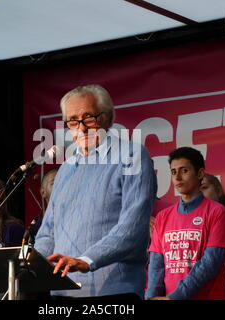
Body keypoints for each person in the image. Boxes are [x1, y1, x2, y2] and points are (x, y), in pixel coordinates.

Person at [34, 84, 157, 298]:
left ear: (107, 118)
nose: (81, 127)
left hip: (113, 291)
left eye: (88, 117)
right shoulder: (65, 169)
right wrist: (33, 263)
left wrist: (87, 261)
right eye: (72, 120)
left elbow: (132, 227)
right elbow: (48, 232)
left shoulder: (132, 155)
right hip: (63, 292)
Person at [146, 147, 225, 300]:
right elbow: (156, 265)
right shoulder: (163, 216)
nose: (177, 177)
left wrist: (176, 297)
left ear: (200, 174)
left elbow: (210, 264)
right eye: (173, 172)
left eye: (184, 170)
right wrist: (152, 296)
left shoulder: (218, 212)